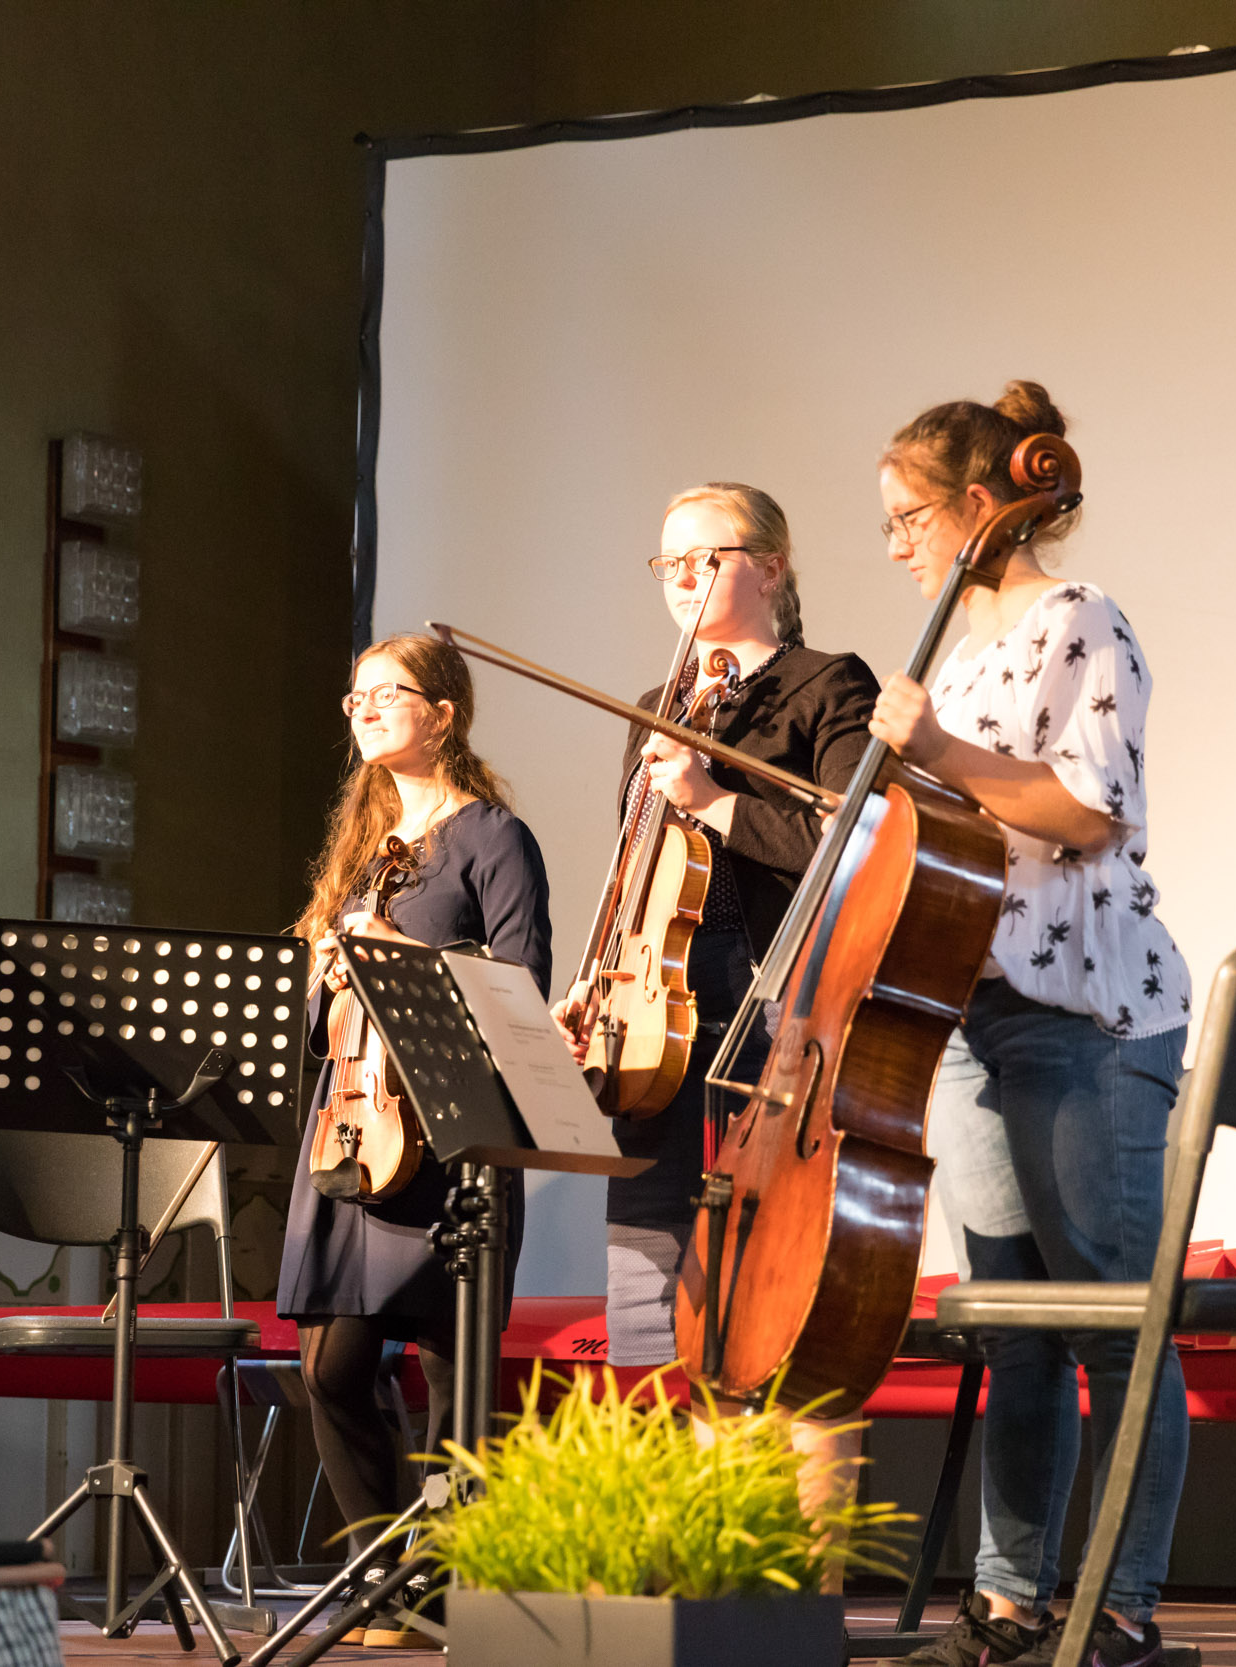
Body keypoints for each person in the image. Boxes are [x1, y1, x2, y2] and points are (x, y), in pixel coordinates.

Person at [873, 383, 1190, 1667]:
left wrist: (939, 751)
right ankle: (1008, 1602)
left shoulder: (1077, 613)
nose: (893, 541)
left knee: (1113, 1314)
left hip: (1085, 1011)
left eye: (907, 515)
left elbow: (1088, 811)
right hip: (965, 1010)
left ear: (981, 504)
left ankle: (1118, 1609)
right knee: (1008, 1313)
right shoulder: (950, 650)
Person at [556, 483, 877, 1374]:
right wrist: (596, 972)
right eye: (670, 562)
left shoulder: (826, 682)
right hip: (652, 1004)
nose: (682, 577)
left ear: (770, 567)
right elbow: (631, 865)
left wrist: (713, 799)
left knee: (751, 1270)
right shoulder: (657, 702)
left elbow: (850, 845)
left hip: (763, 993)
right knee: (645, 1270)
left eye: (708, 557)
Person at [274, 632, 552, 1647]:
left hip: (444, 1125)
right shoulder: (362, 845)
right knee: (330, 1367)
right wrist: (323, 979)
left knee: (448, 1363)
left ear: (443, 711)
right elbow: (315, 1015)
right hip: (353, 1112)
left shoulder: (491, 836)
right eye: (354, 698)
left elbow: (519, 982)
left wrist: (401, 955)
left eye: (387, 693)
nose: (365, 709)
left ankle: (448, 1587)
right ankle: (381, 1572)